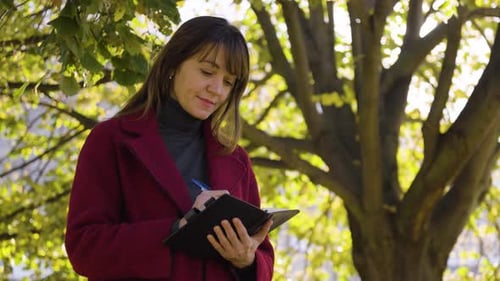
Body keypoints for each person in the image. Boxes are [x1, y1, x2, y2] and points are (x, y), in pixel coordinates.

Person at [64, 16, 274, 281]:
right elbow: (84, 248)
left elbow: (262, 256)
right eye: (207, 72)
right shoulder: (111, 141)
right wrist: (177, 229)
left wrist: (247, 261)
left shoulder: (236, 160)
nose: (217, 89)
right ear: (174, 63)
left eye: (229, 82)